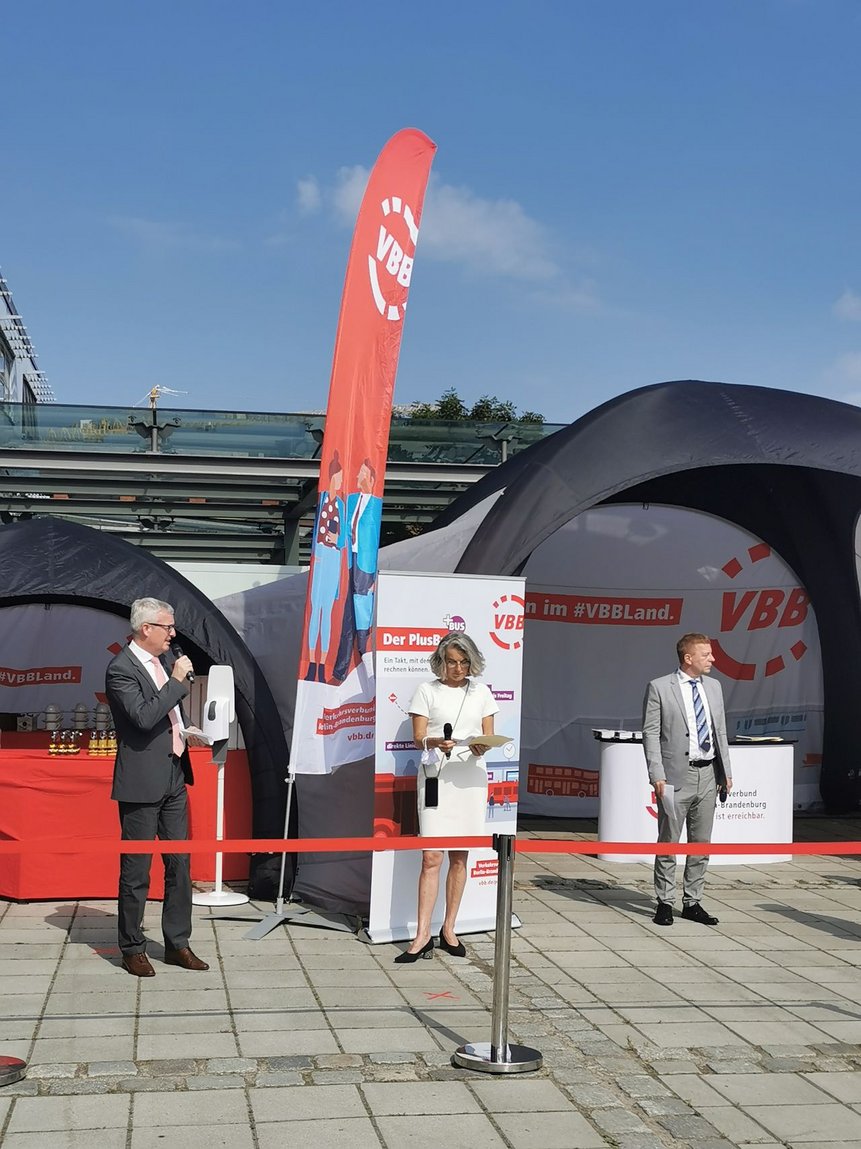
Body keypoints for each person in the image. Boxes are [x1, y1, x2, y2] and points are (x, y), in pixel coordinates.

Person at [106, 597, 209, 976]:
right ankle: (131, 946)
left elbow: (167, 714)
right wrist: (179, 681)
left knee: (180, 865)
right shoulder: (121, 668)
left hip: (174, 775)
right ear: (145, 628)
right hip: (140, 781)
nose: (173, 634)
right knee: (136, 870)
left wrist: (187, 730)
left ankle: (177, 943)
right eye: (167, 626)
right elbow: (144, 717)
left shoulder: (163, 662)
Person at [397, 632, 498, 963]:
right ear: (441, 661)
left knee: (459, 857)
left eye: (464, 662)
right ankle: (421, 934)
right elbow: (417, 737)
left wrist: (481, 744)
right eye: (452, 662)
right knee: (431, 857)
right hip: (436, 777)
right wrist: (435, 742)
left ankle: (449, 928)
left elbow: (487, 733)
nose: (458, 668)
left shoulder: (482, 692)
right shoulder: (427, 691)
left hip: (469, 778)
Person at [642, 632, 732, 928]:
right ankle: (664, 902)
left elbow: (720, 732)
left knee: (701, 843)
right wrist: (657, 774)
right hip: (675, 777)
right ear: (688, 658)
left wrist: (725, 771)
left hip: (708, 774)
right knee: (669, 841)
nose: (713, 659)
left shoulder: (715, 687)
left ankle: (692, 902)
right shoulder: (659, 687)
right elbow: (651, 734)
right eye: (706, 655)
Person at [331, 458, 383, 682]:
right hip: (348, 561)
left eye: (362, 474)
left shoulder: (375, 504)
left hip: (365, 564)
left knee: (362, 615)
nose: (358, 477)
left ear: (370, 479)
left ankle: (367, 663)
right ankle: (340, 670)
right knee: (346, 616)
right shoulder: (351, 500)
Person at [305, 450, 346, 684]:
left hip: (332, 560)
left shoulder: (339, 504)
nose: (339, 481)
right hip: (320, 559)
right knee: (315, 614)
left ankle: (322, 665)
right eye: (337, 477)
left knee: (327, 615)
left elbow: (343, 539)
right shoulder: (322, 502)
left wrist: (335, 539)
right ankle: (312, 664)